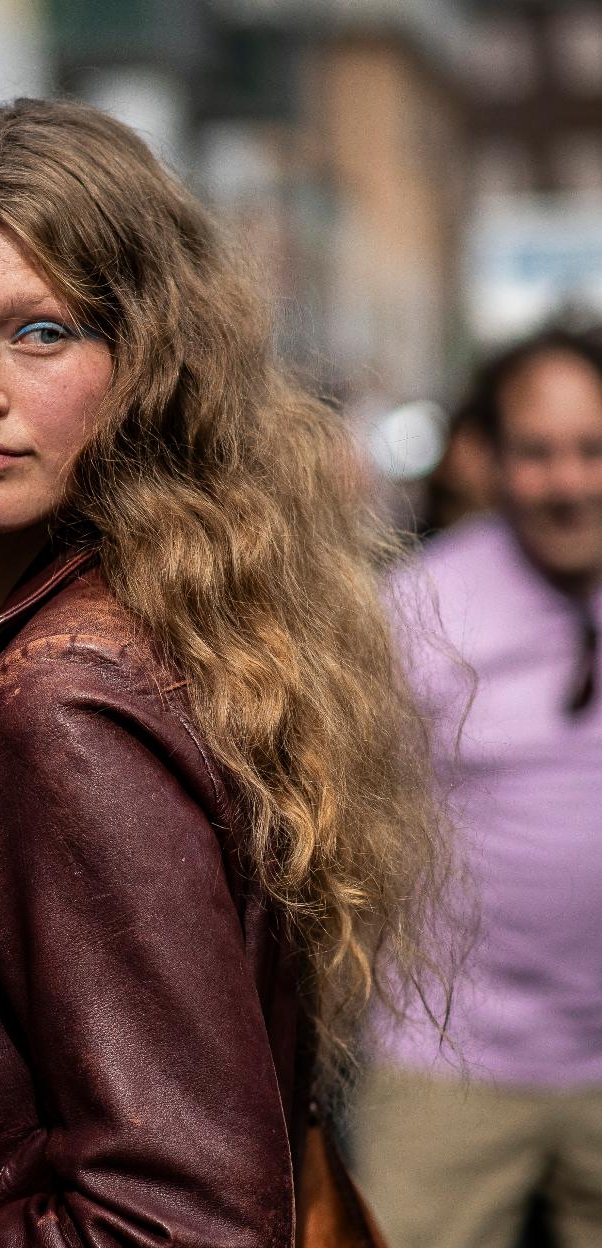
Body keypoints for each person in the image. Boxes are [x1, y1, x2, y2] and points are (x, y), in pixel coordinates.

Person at [0, 99, 448, 1246]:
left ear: (144, 362)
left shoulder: (65, 700)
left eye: (40, 332)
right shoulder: (152, 636)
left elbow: (178, 1220)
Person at [354, 328, 602, 1248]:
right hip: (447, 1064)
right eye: (537, 453)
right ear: (490, 462)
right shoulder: (417, 608)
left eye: (592, 449)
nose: (568, 482)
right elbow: (349, 826)